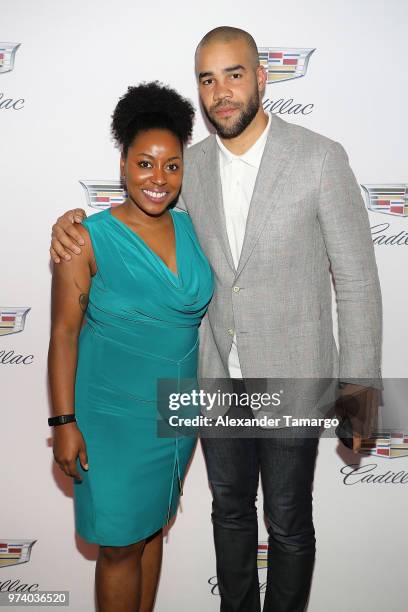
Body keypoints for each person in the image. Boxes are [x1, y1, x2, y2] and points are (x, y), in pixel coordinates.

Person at [49, 27, 382, 612]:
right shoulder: (186, 169)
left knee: (287, 523)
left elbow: (356, 280)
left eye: (233, 74)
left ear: (260, 77)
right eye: (207, 78)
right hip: (210, 382)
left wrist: (360, 388)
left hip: (293, 378)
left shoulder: (320, 158)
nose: (221, 91)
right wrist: (68, 224)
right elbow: (133, 221)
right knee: (228, 513)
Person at [48, 81, 214, 612]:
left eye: (172, 166)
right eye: (145, 163)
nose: (158, 179)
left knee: (149, 531)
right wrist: (63, 423)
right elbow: (63, 335)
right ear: (122, 165)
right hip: (110, 418)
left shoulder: (194, 228)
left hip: (177, 414)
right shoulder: (86, 238)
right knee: (118, 546)